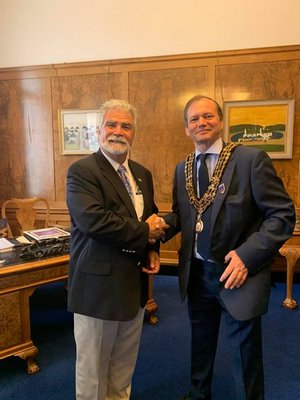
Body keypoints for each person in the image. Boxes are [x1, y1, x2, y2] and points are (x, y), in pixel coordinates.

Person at [162, 95, 295, 400]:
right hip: (197, 273)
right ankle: (198, 395)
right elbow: (183, 215)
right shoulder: (181, 168)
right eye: (194, 119)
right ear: (186, 128)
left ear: (221, 122)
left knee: (244, 353)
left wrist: (248, 256)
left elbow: (282, 214)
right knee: (201, 342)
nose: (201, 123)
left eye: (208, 116)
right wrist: (153, 230)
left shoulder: (250, 159)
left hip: (238, 274)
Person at [66, 99, 167, 400]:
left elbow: (149, 216)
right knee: (93, 372)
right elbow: (94, 221)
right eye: (112, 124)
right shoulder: (82, 171)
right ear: (98, 131)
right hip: (97, 290)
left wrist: (153, 249)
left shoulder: (142, 173)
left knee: (123, 368)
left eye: (126, 126)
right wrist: (147, 231)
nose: (118, 131)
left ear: (134, 133)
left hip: (133, 288)